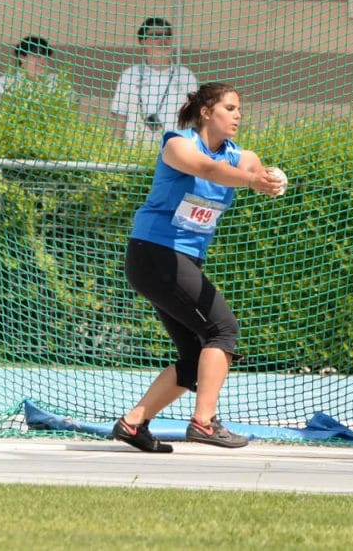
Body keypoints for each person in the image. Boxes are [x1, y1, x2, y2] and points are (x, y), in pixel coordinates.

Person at [112, 82, 285, 452]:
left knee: (194, 360)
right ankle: (204, 423)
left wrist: (273, 178)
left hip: (179, 260)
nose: (238, 115)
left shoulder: (242, 156)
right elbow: (208, 169)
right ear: (206, 112)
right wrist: (253, 179)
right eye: (229, 108)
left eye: (240, 109)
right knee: (223, 329)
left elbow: (260, 170)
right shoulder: (178, 144)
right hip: (155, 253)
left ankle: (132, 424)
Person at [110, 17, 199, 143]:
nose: (163, 40)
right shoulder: (129, 75)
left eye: (167, 35)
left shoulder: (186, 76)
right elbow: (119, 116)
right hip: (135, 151)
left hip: (175, 152)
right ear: (142, 41)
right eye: (156, 36)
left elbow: (194, 119)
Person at [0, 35, 62, 101]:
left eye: (46, 56)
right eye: (37, 56)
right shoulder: (6, 83)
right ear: (22, 58)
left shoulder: (56, 81)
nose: (43, 60)